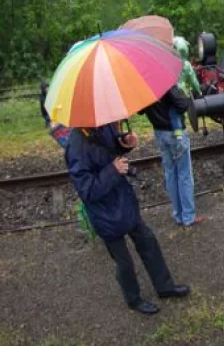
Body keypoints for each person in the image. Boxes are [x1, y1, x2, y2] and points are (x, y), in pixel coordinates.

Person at [65, 122, 190, 314]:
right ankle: (134, 299)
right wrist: (112, 170)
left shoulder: (101, 126)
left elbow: (111, 150)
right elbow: (87, 190)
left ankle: (165, 287)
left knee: (148, 241)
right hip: (104, 213)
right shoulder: (76, 145)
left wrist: (124, 143)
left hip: (123, 201)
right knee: (124, 262)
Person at [141, 86, 206, 227]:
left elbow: (140, 110)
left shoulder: (142, 86)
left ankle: (178, 215)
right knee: (184, 174)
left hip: (159, 133)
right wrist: (185, 96)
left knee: (170, 174)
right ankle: (188, 216)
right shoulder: (164, 82)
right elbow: (182, 105)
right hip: (175, 133)